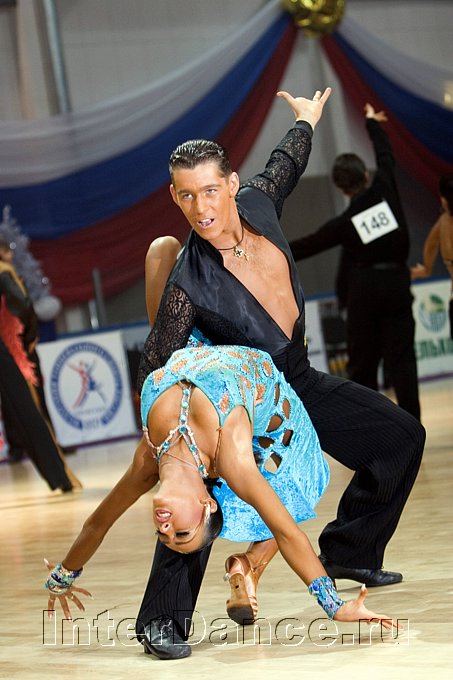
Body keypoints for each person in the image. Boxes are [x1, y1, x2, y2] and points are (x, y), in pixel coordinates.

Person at [134, 89, 425, 659]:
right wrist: (172, 444)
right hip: (252, 403)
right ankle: (161, 620)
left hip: (299, 380)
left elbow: (285, 162)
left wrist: (306, 121)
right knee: (198, 490)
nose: (200, 207)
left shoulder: (260, 203)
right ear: (174, 196)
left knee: (401, 437)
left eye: (210, 190)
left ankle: (350, 550)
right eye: (186, 195)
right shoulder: (188, 283)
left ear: (232, 184)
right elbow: (156, 366)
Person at [44, 338, 399, 658]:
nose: (166, 530)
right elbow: (288, 533)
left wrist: (62, 577)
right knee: (290, 492)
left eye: (165, 536)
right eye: (182, 533)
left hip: (206, 354)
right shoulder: (232, 457)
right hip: (271, 407)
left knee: (277, 500)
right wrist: (335, 606)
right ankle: (249, 565)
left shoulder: (148, 458)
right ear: (207, 504)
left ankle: (249, 566)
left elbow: (98, 523)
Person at [289, 103, 421, 421]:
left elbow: (308, 245)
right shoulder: (385, 187)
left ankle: (368, 426)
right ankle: (413, 427)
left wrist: (263, 249)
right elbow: (385, 155)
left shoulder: (344, 223)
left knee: (363, 363)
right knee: (402, 361)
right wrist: (373, 123)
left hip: (364, 290)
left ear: (340, 187)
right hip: (397, 284)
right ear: (364, 175)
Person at [0, 240, 81, 492]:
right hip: (11, 348)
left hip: (12, 347)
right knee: (28, 409)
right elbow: (23, 306)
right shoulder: (4, 272)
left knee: (25, 408)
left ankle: (58, 476)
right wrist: (27, 337)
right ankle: (60, 476)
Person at [411, 174, 453, 339]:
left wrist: (426, 269)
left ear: (444, 200)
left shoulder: (443, 223)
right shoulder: (443, 222)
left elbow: (430, 246)